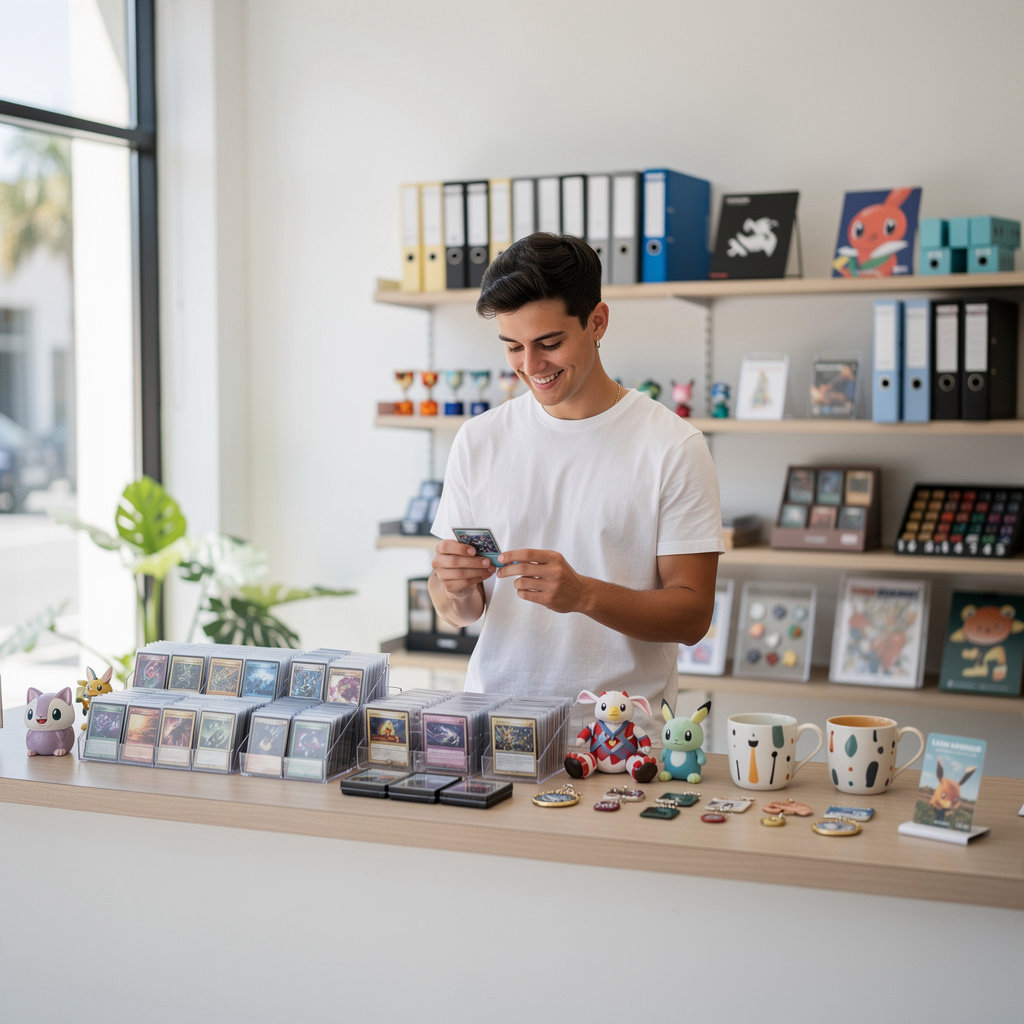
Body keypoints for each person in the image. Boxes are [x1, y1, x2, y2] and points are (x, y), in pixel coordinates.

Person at [428, 232, 723, 716]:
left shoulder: (672, 446)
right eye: (512, 347)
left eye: (549, 343)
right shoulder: (479, 440)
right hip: (493, 728)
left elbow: (692, 616)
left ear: (597, 321)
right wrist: (452, 585)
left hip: (621, 740)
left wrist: (584, 594)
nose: (530, 365)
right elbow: (459, 610)